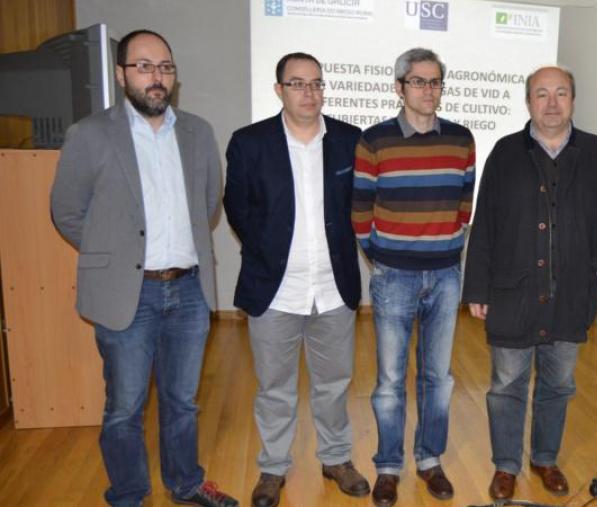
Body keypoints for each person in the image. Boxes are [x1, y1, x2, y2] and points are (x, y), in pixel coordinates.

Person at [50, 30, 237, 507]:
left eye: (166, 68)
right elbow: (67, 211)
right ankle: (129, 495)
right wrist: (110, 258)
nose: (157, 78)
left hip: (189, 292)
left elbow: (208, 203)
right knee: (124, 409)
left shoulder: (197, 131)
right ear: (120, 74)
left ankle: (186, 484)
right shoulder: (89, 134)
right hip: (126, 294)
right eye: (145, 66)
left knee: (183, 403)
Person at [462, 65, 597, 501]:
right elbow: (485, 226)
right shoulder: (504, 152)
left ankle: (544, 458)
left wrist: (596, 276)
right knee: (507, 386)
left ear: (573, 99)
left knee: (558, 385)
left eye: (560, 94)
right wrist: (477, 287)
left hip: (572, 295)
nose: (551, 103)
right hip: (512, 293)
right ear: (528, 101)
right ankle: (505, 465)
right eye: (542, 94)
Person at [223, 52, 368, 507]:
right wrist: (266, 250)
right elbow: (237, 207)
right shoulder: (250, 142)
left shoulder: (349, 140)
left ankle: (336, 458)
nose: (309, 92)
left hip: (334, 288)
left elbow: (360, 207)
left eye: (316, 83)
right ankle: (272, 468)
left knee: (333, 383)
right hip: (275, 289)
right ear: (279, 90)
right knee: (275, 388)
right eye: (298, 83)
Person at [351, 47, 475, 507]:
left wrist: (448, 249)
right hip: (393, 277)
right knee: (388, 380)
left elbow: (466, 204)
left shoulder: (462, 139)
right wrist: (380, 257)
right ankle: (387, 466)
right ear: (399, 87)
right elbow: (361, 211)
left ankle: (429, 460)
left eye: (435, 81)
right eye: (419, 81)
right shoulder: (374, 140)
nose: (429, 90)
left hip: (446, 276)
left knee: (437, 378)